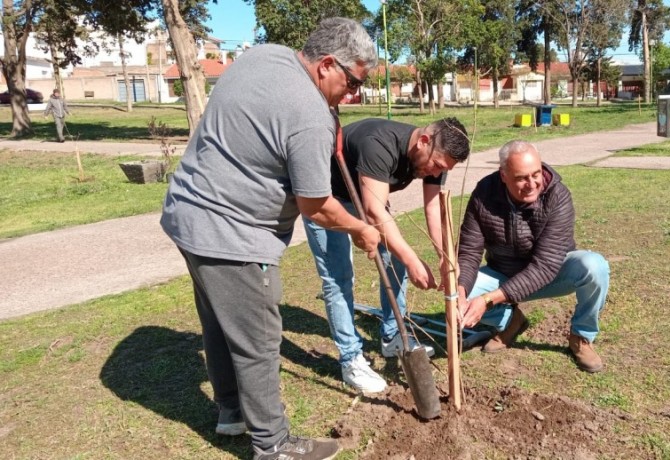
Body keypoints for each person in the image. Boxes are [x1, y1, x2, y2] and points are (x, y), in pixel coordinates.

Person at [160, 18, 380, 460]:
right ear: (327, 65)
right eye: (354, 82)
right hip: (232, 232)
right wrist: (360, 228)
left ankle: (231, 412)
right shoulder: (309, 115)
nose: (354, 95)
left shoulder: (265, 55)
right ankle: (273, 444)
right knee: (259, 340)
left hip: (187, 214)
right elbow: (316, 206)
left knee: (222, 323)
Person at [303, 117, 470, 393]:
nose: (436, 172)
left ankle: (393, 336)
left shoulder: (435, 155)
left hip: (367, 198)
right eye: (438, 165)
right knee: (338, 277)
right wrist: (413, 260)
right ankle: (351, 358)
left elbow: (432, 207)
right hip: (326, 199)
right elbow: (374, 212)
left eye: (443, 169)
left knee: (395, 261)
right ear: (424, 141)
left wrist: (445, 256)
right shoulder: (379, 144)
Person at [456, 140, 610, 373]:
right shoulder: (484, 194)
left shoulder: (558, 196)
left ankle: (581, 336)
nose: (532, 184)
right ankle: (511, 321)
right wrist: (460, 292)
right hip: (503, 274)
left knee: (594, 266)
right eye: (521, 178)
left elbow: (545, 266)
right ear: (503, 175)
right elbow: (469, 250)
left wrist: (488, 300)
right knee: (456, 293)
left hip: (552, 276)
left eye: (536, 174)